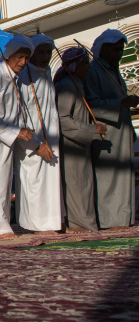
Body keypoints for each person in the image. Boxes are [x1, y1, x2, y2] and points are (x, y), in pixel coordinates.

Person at [0, 34, 41, 238]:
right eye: (19, 57)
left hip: (7, 140)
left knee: (3, 183)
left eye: (27, 58)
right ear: (10, 55)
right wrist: (16, 131)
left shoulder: (13, 77)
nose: (23, 62)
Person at [85, 29, 139, 230]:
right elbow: (91, 104)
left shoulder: (114, 70)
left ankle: (123, 219)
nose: (119, 54)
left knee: (124, 175)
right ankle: (108, 220)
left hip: (122, 131)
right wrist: (120, 104)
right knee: (108, 177)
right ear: (103, 50)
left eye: (121, 50)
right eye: (115, 50)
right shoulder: (93, 71)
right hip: (106, 133)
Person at [54, 47, 106, 233]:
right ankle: (78, 224)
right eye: (85, 63)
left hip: (81, 142)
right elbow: (63, 119)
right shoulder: (68, 85)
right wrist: (91, 129)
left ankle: (84, 222)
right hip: (71, 144)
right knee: (76, 184)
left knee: (84, 183)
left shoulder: (77, 83)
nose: (89, 68)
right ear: (74, 65)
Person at [16, 34, 62, 234]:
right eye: (40, 52)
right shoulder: (23, 77)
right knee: (33, 182)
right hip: (32, 142)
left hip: (51, 138)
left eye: (48, 52)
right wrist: (35, 144)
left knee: (51, 183)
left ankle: (51, 223)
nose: (45, 56)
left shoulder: (47, 72)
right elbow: (19, 115)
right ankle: (35, 225)